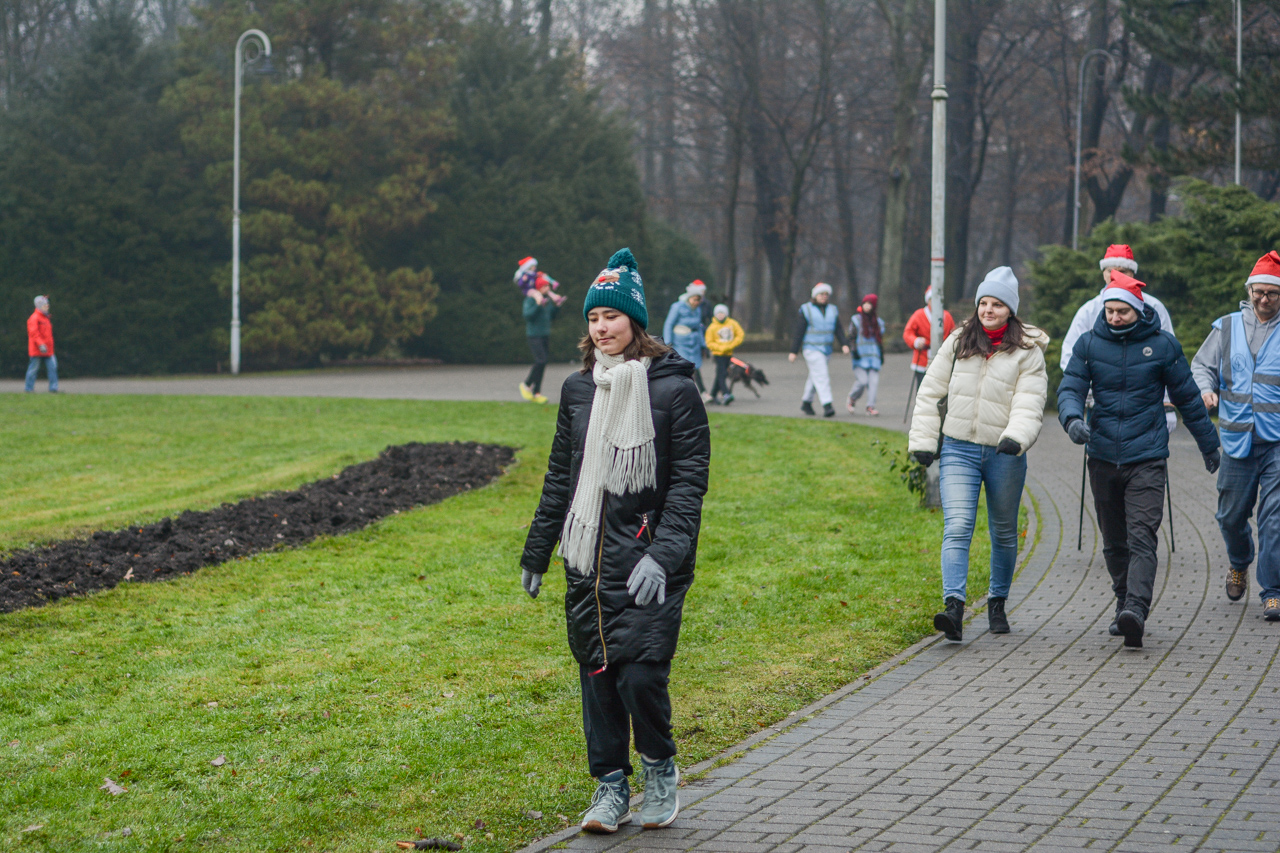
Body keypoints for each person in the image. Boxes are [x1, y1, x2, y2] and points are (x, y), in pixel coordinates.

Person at [521, 248, 710, 835]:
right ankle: (610, 786)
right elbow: (561, 476)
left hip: (648, 560)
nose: (601, 328)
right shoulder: (578, 390)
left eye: (612, 317)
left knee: (640, 675)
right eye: (593, 318)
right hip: (586, 559)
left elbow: (688, 486)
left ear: (636, 322)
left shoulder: (674, 391)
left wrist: (664, 553)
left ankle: (659, 769)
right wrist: (536, 550)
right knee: (598, 674)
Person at [1059, 271, 1220, 647]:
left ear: (1138, 310)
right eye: (1110, 311)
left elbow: (1188, 398)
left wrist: (1208, 443)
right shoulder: (1088, 344)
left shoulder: (1163, 346)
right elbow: (1070, 387)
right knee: (1114, 542)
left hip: (1146, 456)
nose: (1115, 318)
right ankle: (1122, 603)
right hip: (1101, 456)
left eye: (1123, 312)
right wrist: (1070, 420)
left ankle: (1136, 608)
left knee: (1142, 536)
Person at [908, 267, 1049, 642]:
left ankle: (997, 602)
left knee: (1003, 531)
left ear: (1010, 310)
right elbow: (930, 391)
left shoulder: (1028, 352)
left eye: (997, 304)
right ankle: (953, 607)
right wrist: (923, 441)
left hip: (1005, 453)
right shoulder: (958, 341)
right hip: (958, 449)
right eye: (984, 302)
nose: (988, 310)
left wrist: (1015, 437)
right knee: (957, 527)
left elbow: (1030, 400)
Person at [1191, 250, 1280, 621]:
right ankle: (1239, 560)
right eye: (1259, 292)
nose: (1264, 299)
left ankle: (1273, 591)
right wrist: (1206, 389)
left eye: (1272, 294)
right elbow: (1200, 366)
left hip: (1276, 441)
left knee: (1274, 520)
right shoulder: (1225, 328)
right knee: (1229, 516)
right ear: (1249, 290)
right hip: (1237, 438)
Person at [1061, 244, 1179, 434]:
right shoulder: (1087, 311)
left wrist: (1167, 403)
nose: (1115, 275)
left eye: (1122, 270)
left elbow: (1169, 359)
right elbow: (1070, 357)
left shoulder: (1154, 307)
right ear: (1103, 273)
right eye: (1110, 270)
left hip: (1146, 405)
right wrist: (1090, 390)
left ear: (1133, 274)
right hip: (1100, 404)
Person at [789, 282, 850, 417]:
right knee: (822, 375)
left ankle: (806, 402)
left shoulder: (832, 310)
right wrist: (794, 351)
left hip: (826, 349)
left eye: (826, 294)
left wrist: (844, 344)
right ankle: (827, 405)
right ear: (815, 295)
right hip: (811, 348)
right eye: (821, 294)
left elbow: (838, 329)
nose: (824, 296)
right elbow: (799, 331)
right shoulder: (806, 309)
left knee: (815, 376)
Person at [519, 272, 566, 403]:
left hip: (545, 334)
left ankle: (537, 392)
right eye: (545, 286)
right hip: (534, 335)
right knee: (541, 360)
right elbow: (528, 316)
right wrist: (538, 304)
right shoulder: (530, 299)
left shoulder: (547, 300)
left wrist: (557, 306)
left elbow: (551, 316)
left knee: (543, 362)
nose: (548, 288)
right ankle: (527, 385)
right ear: (539, 287)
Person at [902, 285, 956, 388]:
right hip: (922, 358)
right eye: (933, 299)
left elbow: (953, 334)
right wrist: (916, 341)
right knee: (922, 388)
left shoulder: (947, 316)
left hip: (942, 357)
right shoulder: (919, 315)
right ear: (928, 300)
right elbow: (908, 333)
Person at [663, 280, 708, 399]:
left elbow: (698, 327)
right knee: (683, 366)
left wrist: (703, 344)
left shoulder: (697, 310)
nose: (696, 303)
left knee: (695, 367)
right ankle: (681, 393)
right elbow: (669, 324)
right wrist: (668, 342)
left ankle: (698, 392)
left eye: (698, 300)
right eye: (694, 300)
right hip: (680, 342)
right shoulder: (677, 307)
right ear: (689, 298)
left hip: (694, 343)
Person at [847, 293, 885, 415]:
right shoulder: (856, 320)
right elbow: (851, 337)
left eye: (870, 304)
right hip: (860, 357)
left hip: (874, 358)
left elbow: (880, 341)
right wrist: (854, 351)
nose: (867, 306)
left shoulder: (878, 323)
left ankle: (870, 406)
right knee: (862, 381)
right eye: (865, 303)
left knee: (873, 382)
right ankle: (852, 398)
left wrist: (881, 355)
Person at [705, 303, 744, 405]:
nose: (720, 315)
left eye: (722, 313)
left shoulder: (732, 324)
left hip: (728, 353)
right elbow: (709, 342)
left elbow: (740, 335)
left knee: (721, 374)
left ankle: (713, 395)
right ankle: (726, 394)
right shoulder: (712, 327)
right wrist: (720, 348)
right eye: (718, 313)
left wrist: (731, 345)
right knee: (722, 374)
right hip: (718, 354)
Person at [26, 295, 57, 393]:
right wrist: (41, 345)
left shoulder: (45, 318)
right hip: (37, 350)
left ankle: (53, 389)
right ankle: (29, 389)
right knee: (33, 370)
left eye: (47, 304)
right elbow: (34, 334)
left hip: (49, 350)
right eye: (45, 304)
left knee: (53, 368)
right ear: (39, 306)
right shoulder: (34, 318)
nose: (47, 306)